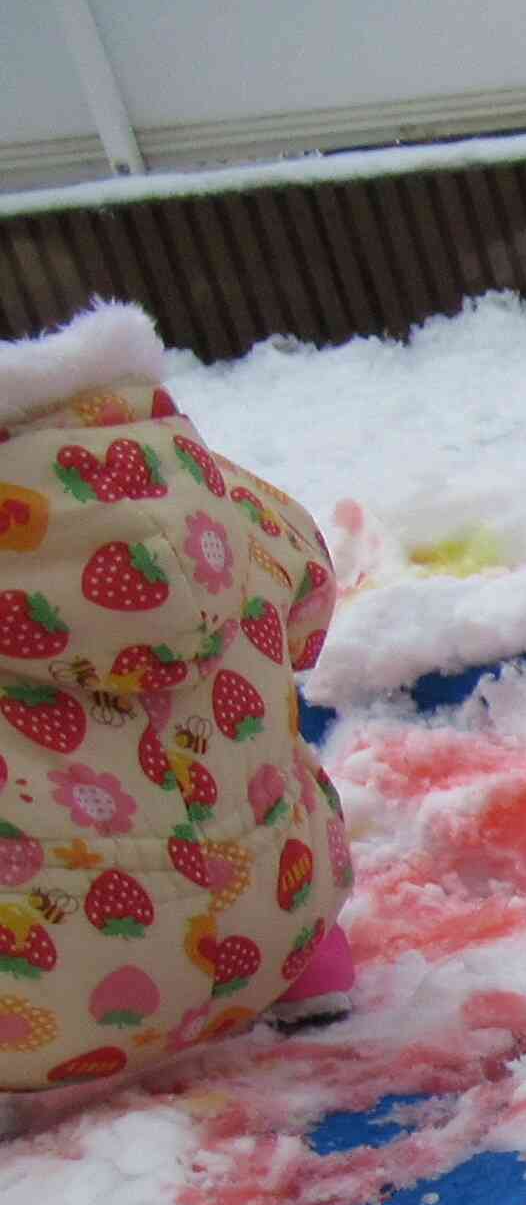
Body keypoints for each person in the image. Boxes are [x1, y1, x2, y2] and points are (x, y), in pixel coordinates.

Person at [1, 302, 354, 1134]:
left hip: (45, 1004)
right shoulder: (225, 500)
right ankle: (315, 973)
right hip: (281, 919)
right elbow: (308, 609)